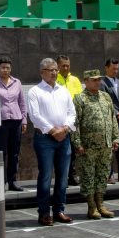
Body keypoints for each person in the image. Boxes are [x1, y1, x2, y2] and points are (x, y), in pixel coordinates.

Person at [28, 58, 77, 226]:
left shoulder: (63, 90)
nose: (55, 73)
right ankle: (44, 213)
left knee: (63, 177)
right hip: (45, 139)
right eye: (51, 70)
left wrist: (64, 129)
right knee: (46, 177)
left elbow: (72, 112)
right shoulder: (34, 91)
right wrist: (52, 130)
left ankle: (59, 211)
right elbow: (35, 116)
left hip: (64, 138)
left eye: (56, 70)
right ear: (42, 72)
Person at [73, 70, 119, 219]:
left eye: (99, 79)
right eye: (94, 80)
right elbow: (75, 123)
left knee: (102, 176)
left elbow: (112, 119)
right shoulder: (80, 99)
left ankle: (101, 205)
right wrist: (77, 143)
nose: (98, 82)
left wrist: (115, 138)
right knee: (88, 177)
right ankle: (91, 207)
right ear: (86, 81)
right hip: (88, 147)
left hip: (106, 145)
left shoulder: (105, 96)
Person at [0, 56, 28, 192]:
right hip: (0, 122)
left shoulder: (17, 82)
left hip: (16, 121)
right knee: (1, 152)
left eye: (8, 67)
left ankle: (12, 181)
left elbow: (22, 102)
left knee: (14, 153)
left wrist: (24, 120)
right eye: (3, 67)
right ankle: (0, 182)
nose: (5, 70)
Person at [100, 58, 119, 183]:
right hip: (110, 119)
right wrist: (116, 112)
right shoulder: (102, 83)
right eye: (113, 69)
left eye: (117, 69)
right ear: (106, 68)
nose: (115, 71)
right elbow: (105, 101)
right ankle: (109, 174)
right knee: (110, 147)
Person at [56, 55, 83, 186]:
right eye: (63, 65)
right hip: (59, 121)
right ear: (57, 66)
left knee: (72, 150)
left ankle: (72, 175)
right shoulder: (54, 79)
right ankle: (61, 178)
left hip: (73, 121)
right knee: (60, 150)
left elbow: (80, 98)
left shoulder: (75, 80)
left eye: (67, 65)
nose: (66, 68)